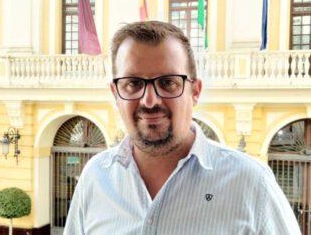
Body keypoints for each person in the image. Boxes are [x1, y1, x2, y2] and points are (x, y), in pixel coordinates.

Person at [64, 21, 301, 234]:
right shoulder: (95, 177)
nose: (149, 100)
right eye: (133, 84)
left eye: (168, 83)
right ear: (116, 94)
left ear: (195, 91)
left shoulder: (252, 184)